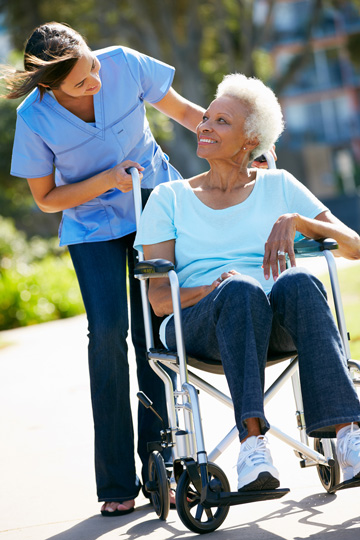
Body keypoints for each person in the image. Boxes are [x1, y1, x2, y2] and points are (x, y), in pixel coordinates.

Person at [3, 21, 214, 516]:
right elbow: (47, 198)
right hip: (91, 226)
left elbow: (186, 112)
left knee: (155, 333)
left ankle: (162, 462)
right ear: (48, 87)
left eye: (92, 67)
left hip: (153, 210)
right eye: (80, 82)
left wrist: (242, 139)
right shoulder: (33, 118)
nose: (95, 81)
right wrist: (104, 182)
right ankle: (116, 481)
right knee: (107, 334)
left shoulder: (123, 62)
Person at [134, 73, 360, 492]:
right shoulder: (169, 198)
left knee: (298, 282)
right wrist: (214, 288)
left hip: (274, 322)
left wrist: (299, 221)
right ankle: (252, 449)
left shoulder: (280, 186)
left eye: (221, 121)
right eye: (206, 118)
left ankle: (350, 439)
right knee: (239, 291)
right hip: (198, 327)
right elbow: (161, 299)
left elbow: (354, 247)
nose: (203, 126)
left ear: (249, 139)